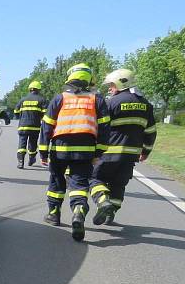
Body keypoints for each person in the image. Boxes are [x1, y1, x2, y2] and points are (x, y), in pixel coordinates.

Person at [38, 63, 110, 241]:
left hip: (59, 149)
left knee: (56, 181)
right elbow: (105, 128)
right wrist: (98, 152)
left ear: (70, 78)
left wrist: (43, 151)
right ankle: (78, 211)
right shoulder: (97, 99)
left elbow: (47, 126)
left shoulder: (59, 98)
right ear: (89, 79)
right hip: (85, 150)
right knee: (79, 183)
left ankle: (54, 214)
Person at [89, 69, 156, 225]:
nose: (110, 88)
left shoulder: (111, 103)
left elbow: (100, 127)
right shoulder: (146, 104)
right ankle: (111, 210)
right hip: (130, 156)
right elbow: (151, 131)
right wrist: (146, 151)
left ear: (120, 83)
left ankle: (103, 201)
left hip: (108, 153)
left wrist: (93, 149)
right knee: (118, 184)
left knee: (94, 178)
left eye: (111, 85)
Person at [14, 80, 48, 168]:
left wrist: (21, 117)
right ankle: (31, 159)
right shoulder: (42, 99)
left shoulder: (23, 99)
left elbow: (16, 111)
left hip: (22, 126)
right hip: (35, 127)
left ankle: (20, 162)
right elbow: (45, 114)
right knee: (33, 144)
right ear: (39, 90)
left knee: (22, 144)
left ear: (30, 89)